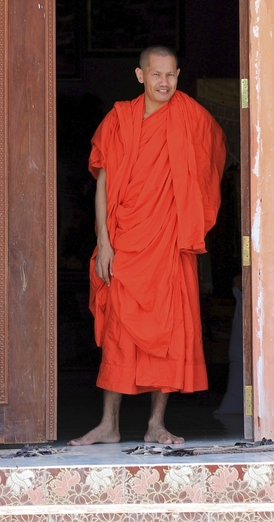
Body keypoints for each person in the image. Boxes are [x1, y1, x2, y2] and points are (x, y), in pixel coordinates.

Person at [69, 45, 226, 446]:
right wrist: (104, 242)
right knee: (121, 332)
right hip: (125, 242)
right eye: (156, 75)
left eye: (171, 75)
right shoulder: (119, 119)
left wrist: (190, 218)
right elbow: (103, 182)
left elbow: (213, 156)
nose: (164, 83)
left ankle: (156, 423)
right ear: (140, 76)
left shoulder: (190, 117)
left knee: (168, 333)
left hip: (168, 246)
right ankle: (109, 424)